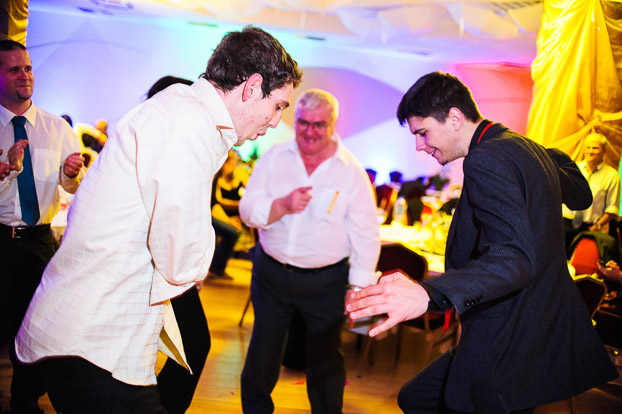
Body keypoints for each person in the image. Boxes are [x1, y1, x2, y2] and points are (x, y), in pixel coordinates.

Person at [15, 26, 302, 414]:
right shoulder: (187, 124)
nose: (276, 120)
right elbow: (182, 261)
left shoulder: (185, 112)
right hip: (93, 341)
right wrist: (198, 256)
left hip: (99, 337)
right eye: (279, 105)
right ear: (251, 88)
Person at [346, 72, 618, 414]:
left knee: (425, 400)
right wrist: (544, 154)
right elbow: (580, 194)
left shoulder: (486, 157)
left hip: (510, 332)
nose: (419, 146)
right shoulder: (520, 147)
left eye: (422, 132)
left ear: (454, 118)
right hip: (535, 327)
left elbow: (514, 258)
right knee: (417, 397)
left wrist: (427, 293)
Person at [239, 88, 380, 414]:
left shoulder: (351, 171)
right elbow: (247, 210)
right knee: (262, 354)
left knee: (325, 362)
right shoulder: (274, 157)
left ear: (333, 125)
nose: (309, 131)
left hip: (325, 284)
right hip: (271, 276)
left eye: (319, 124)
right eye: (303, 122)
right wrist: (282, 205)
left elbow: (366, 234)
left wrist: (359, 289)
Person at [0, 39, 85, 413]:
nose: (25, 75)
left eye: (28, 68)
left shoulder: (57, 128)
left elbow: (72, 187)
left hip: (39, 241)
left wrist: (72, 174)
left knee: (38, 327)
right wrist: (5, 172)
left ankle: (25, 401)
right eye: (14, 69)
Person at [563, 132, 620, 250]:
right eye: (588, 147)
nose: (590, 151)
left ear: (604, 151)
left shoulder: (611, 176)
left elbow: (612, 208)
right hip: (565, 223)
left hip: (589, 228)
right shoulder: (574, 168)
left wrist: (596, 226)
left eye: (595, 148)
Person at [208, 149, 246, 281]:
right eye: (231, 163)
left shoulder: (235, 175)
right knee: (231, 232)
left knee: (232, 231)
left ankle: (216, 267)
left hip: (217, 213)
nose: (233, 166)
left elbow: (214, 204)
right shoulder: (215, 176)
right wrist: (229, 220)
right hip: (207, 216)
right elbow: (214, 205)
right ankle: (216, 268)